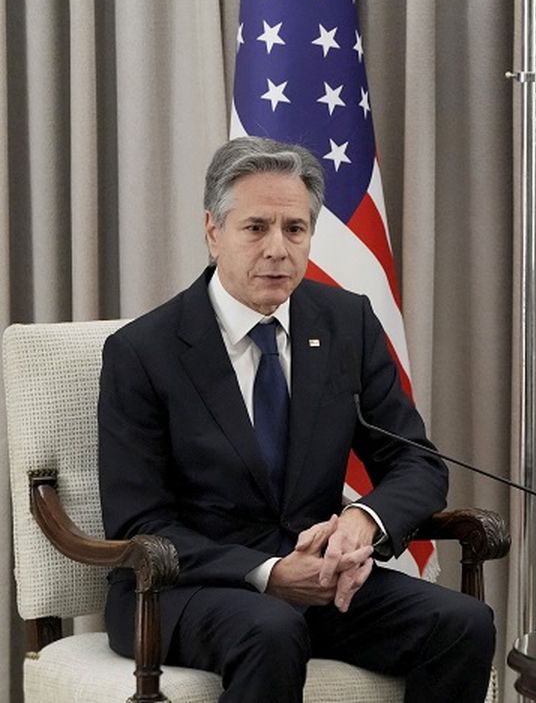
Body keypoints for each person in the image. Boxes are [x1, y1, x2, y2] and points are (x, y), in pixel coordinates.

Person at [98, 136, 494, 702]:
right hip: (182, 586)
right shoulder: (143, 351)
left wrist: (363, 522)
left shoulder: (346, 324)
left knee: (462, 623)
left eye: (295, 229)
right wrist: (268, 572)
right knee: (271, 627)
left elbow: (416, 460)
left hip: (320, 581)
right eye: (256, 227)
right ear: (213, 232)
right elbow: (141, 520)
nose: (278, 249)